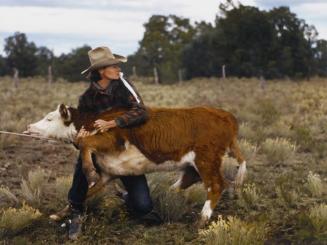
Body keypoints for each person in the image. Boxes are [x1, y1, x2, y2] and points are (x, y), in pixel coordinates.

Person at [55, 46, 157, 240]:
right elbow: (82, 131)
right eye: (114, 66)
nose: (119, 69)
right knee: (84, 155)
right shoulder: (86, 99)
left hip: (125, 152)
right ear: (102, 71)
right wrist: (79, 140)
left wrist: (113, 122)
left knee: (144, 208)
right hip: (100, 151)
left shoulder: (123, 85)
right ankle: (75, 209)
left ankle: (126, 197)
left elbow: (142, 112)